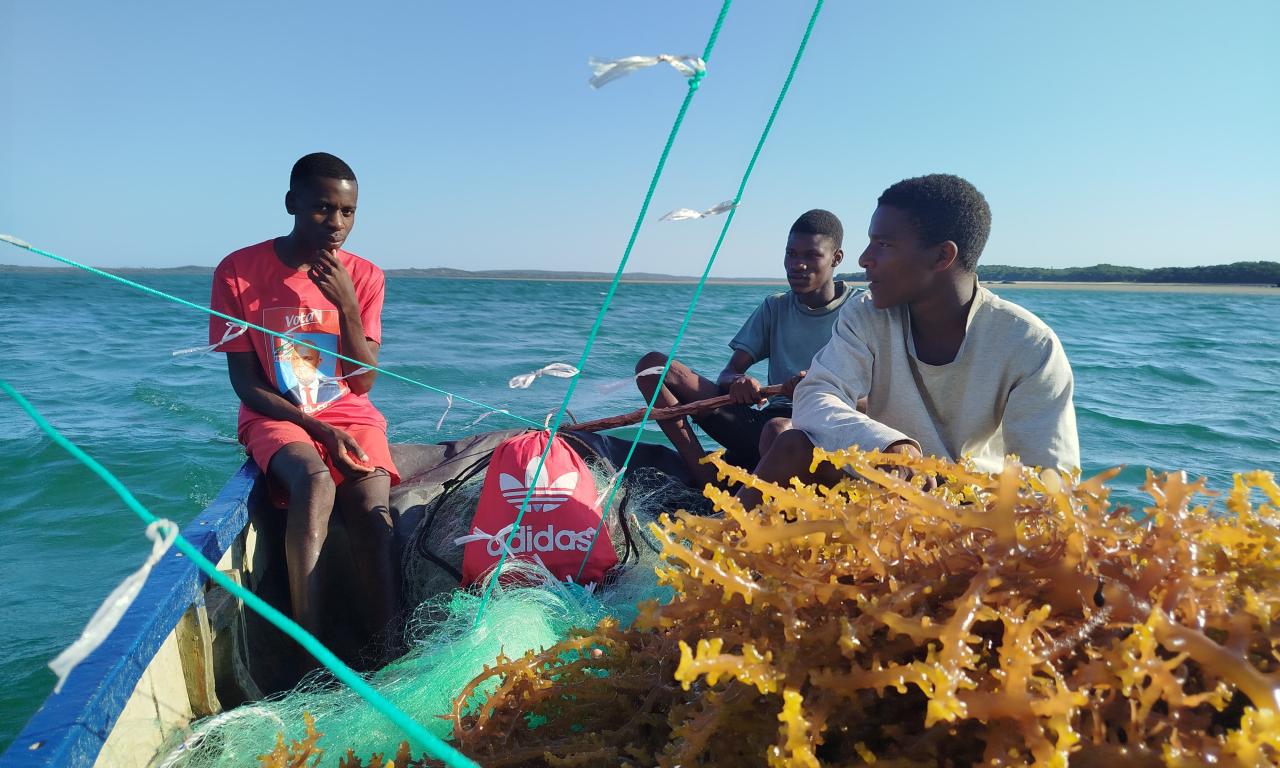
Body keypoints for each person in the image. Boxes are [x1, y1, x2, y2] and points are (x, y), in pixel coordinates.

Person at [742, 174, 1079, 506]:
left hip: (969, 513)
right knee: (792, 443)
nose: (864, 259)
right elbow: (816, 394)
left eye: (884, 245)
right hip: (882, 486)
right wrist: (889, 447)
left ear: (941, 257)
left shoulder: (1029, 344)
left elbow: (1048, 484)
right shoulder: (868, 313)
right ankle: (708, 551)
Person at [208, 152, 399, 652]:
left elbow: (363, 386)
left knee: (369, 501)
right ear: (292, 203)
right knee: (314, 481)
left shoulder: (366, 276)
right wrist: (318, 432)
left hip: (348, 412)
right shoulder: (238, 271)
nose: (336, 224)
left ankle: (390, 644)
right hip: (276, 411)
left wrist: (348, 307)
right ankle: (308, 649)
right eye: (322, 208)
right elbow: (247, 384)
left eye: (347, 212)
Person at [635, 209, 856, 488]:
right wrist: (738, 382)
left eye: (811, 256)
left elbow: (878, 396)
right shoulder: (774, 307)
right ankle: (706, 481)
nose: (797, 265)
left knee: (778, 431)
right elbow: (729, 373)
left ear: (836, 258)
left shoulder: (859, 310)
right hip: (768, 424)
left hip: (826, 429)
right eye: (791, 254)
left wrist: (816, 388)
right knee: (651, 368)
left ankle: (755, 498)